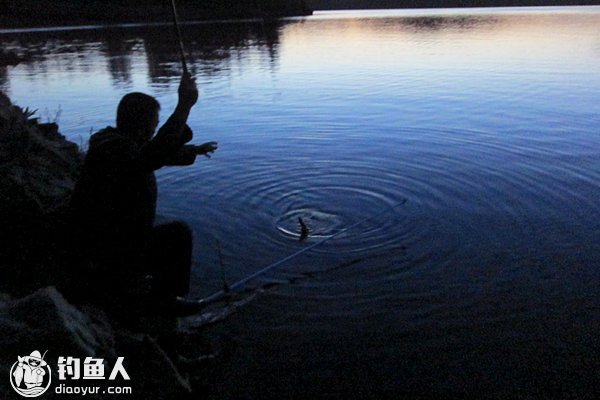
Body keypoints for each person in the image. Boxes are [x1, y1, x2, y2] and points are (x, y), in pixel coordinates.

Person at [69, 72, 217, 321]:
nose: (154, 129)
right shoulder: (113, 149)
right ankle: (163, 305)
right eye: (153, 123)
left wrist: (193, 151)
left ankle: (145, 290)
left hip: (112, 242)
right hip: (105, 252)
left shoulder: (116, 144)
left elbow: (153, 154)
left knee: (170, 234)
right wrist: (184, 105)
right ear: (140, 124)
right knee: (177, 235)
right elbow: (149, 156)